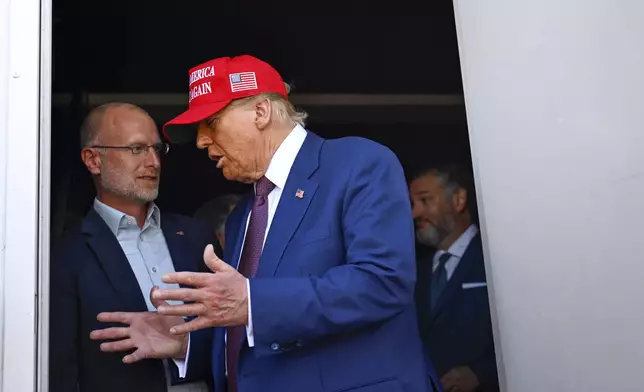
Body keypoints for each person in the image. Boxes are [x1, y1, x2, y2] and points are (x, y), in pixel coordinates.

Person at [89, 55, 442, 392]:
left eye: (210, 123)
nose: (201, 141)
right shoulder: (244, 214)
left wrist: (251, 302)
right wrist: (187, 343)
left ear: (261, 111)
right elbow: (256, 330)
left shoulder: (358, 163)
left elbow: (383, 282)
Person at [49, 103, 218, 392]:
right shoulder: (66, 255)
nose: (153, 161)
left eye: (156, 148)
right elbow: (61, 370)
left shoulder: (196, 237)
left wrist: (184, 346)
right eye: (136, 149)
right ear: (93, 160)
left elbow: (233, 339)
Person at [410, 164, 499, 392]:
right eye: (413, 204)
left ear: (459, 200)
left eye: (425, 200)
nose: (415, 214)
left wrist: (481, 373)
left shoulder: (496, 258)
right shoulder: (413, 272)